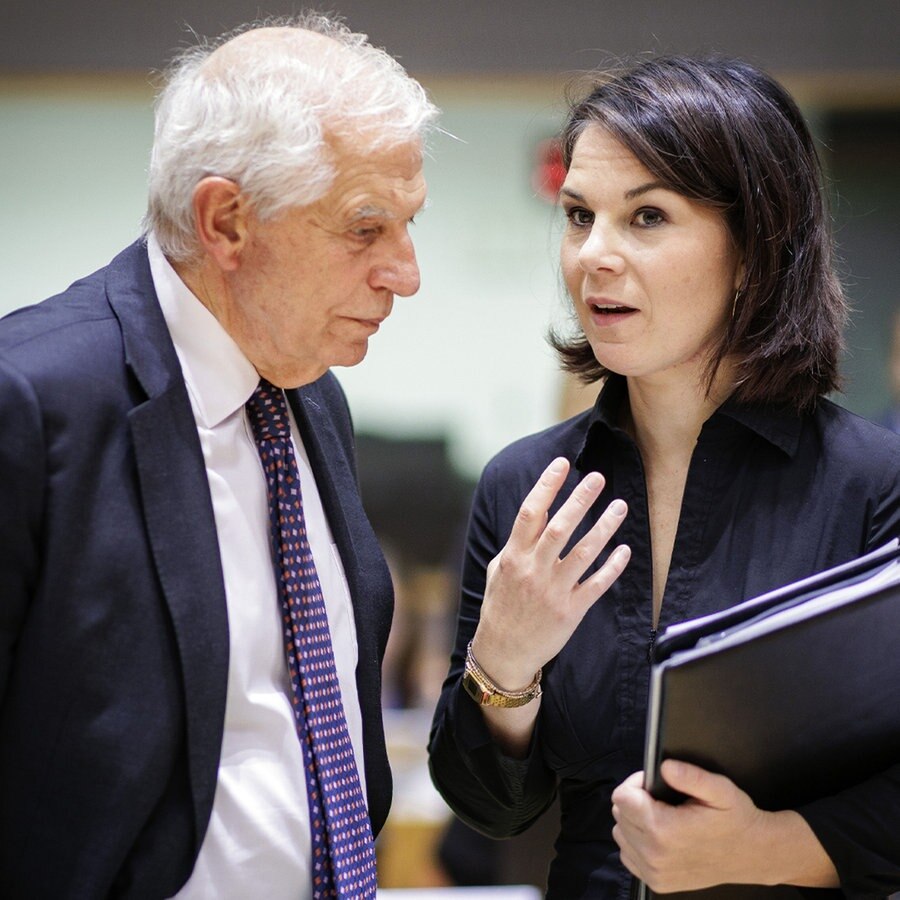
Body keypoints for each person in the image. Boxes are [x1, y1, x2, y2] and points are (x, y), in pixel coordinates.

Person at [428, 56, 900, 899]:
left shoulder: (873, 483)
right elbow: (487, 809)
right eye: (579, 216)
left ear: (756, 247)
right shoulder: (528, 487)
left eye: (647, 216)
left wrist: (772, 848)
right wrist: (504, 662)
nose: (593, 256)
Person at [0, 14, 436, 899]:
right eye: (365, 229)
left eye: (408, 225)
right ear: (227, 220)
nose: (406, 272)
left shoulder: (312, 393)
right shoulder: (32, 401)